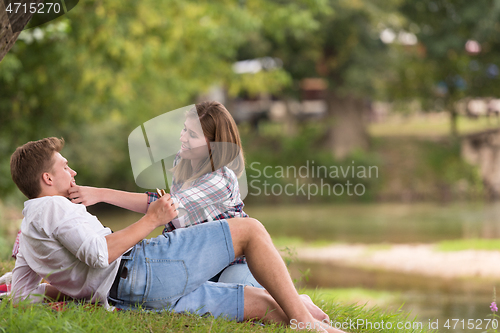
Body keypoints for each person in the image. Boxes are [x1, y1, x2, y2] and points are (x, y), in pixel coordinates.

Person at [10, 137, 346, 333]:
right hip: (141, 271)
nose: (73, 172)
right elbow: (99, 253)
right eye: (65, 167)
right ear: (48, 179)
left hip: (127, 294)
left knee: (264, 305)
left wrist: (63, 296)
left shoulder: (28, 226)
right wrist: (153, 219)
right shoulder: (54, 208)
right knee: (250, 230)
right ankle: (306, 323)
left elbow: (21, 295)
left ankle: (307, 314)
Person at [70, 101, 259, 287]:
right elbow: (162, 203)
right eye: (185, 129)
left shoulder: (221, 179)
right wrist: (100, 194)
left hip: (231, 264)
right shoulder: (184, 159)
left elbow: (168, 208)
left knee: (236, 292)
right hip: (199, 262)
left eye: (192, 135)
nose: (183, 138)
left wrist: (101, 194)